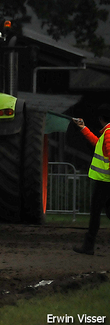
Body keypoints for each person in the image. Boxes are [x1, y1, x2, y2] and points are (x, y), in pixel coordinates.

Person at [72, 104, 110, 255]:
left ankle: (88, 246)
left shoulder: (108, 133)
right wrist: (83, 128)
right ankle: (88, 246)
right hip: (105, 181)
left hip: (104, 181)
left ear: (100, 119)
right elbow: (97, 144)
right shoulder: (107, 132)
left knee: (95, 213)